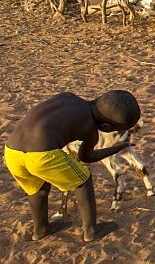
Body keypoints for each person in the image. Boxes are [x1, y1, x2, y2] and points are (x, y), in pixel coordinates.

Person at [4, 90, 140, 242]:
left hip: (11, 151)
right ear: (107, 126)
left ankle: (41, 230)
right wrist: (116, 147)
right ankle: (91, 230)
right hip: (42, 155)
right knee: (83, 179)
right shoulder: (89, 128)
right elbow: (86, 157)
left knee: (38, 189)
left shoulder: (67, 96)